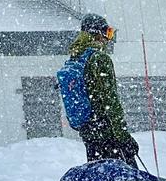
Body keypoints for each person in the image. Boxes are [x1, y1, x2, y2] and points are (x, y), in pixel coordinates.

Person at [59, 15, 140, 164]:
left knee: (101, 179)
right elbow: (111, 101)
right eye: (107, 32)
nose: (108, 39)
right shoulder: (99, 59)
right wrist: (124, 138)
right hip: (108, 134)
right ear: (98, 33)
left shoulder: (75, 58)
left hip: (89, 134)